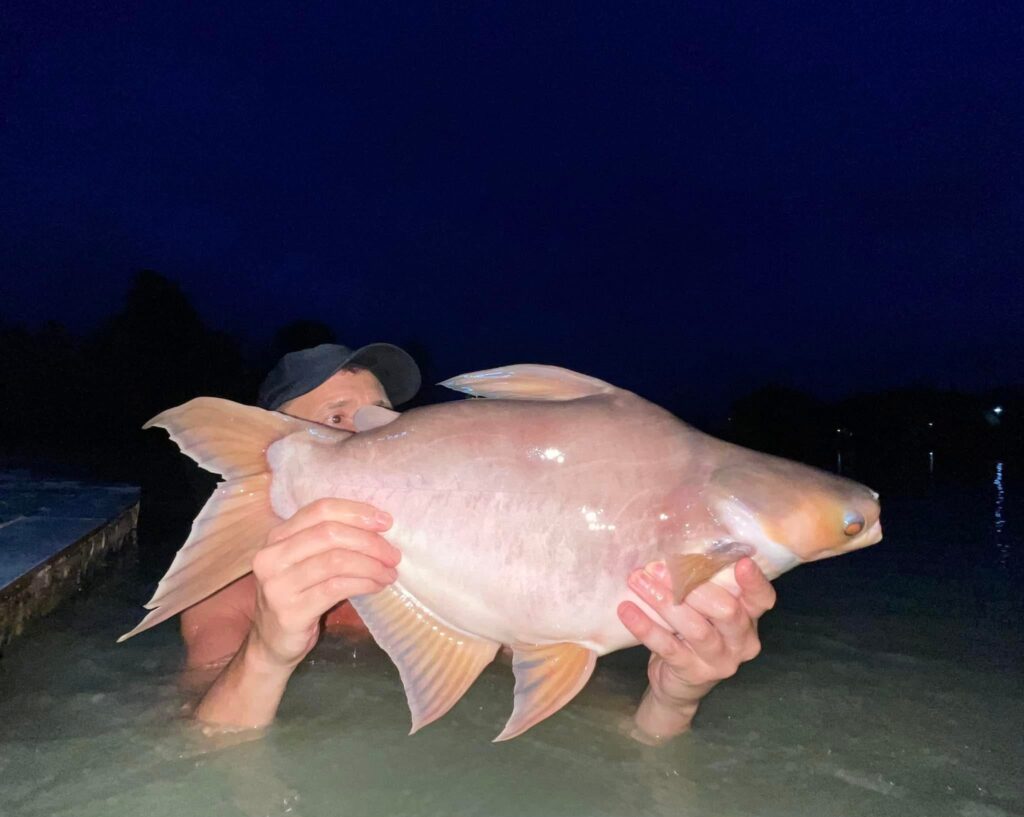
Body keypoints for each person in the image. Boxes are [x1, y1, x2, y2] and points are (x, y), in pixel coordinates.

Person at [181, 342, 776, 743]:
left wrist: (676, 698)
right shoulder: (226, 599)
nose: (370, 433)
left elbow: (609, 738)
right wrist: (268, 649)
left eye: (382, 417)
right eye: (338, 421)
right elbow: (200, 748)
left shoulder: (458, 573)